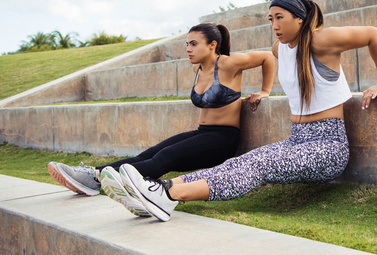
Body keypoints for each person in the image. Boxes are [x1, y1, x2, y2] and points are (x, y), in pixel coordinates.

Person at [110, 0, 377, 221]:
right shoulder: (280, 49)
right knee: (241, 161)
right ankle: (160, 187)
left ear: (300, 18)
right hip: (297, 140)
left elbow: (373, 34)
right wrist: (265, 91)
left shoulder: (321, 40)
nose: (275, 26)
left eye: (280, 18)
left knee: (261, 164)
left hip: (328, 147)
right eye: (270, 19)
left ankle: (168, 197)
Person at [48, 23, 275, 216]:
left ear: (212, 45)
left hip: (222, 139)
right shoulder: (199, 69)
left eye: (193, 44)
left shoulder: (227, 64)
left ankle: (97, 177)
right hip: (202, 134)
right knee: (149, 154)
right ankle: (94, 176)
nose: (188, 49)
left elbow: (267, 57)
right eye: (186, 44)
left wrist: (265, 91)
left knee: (166, 156)